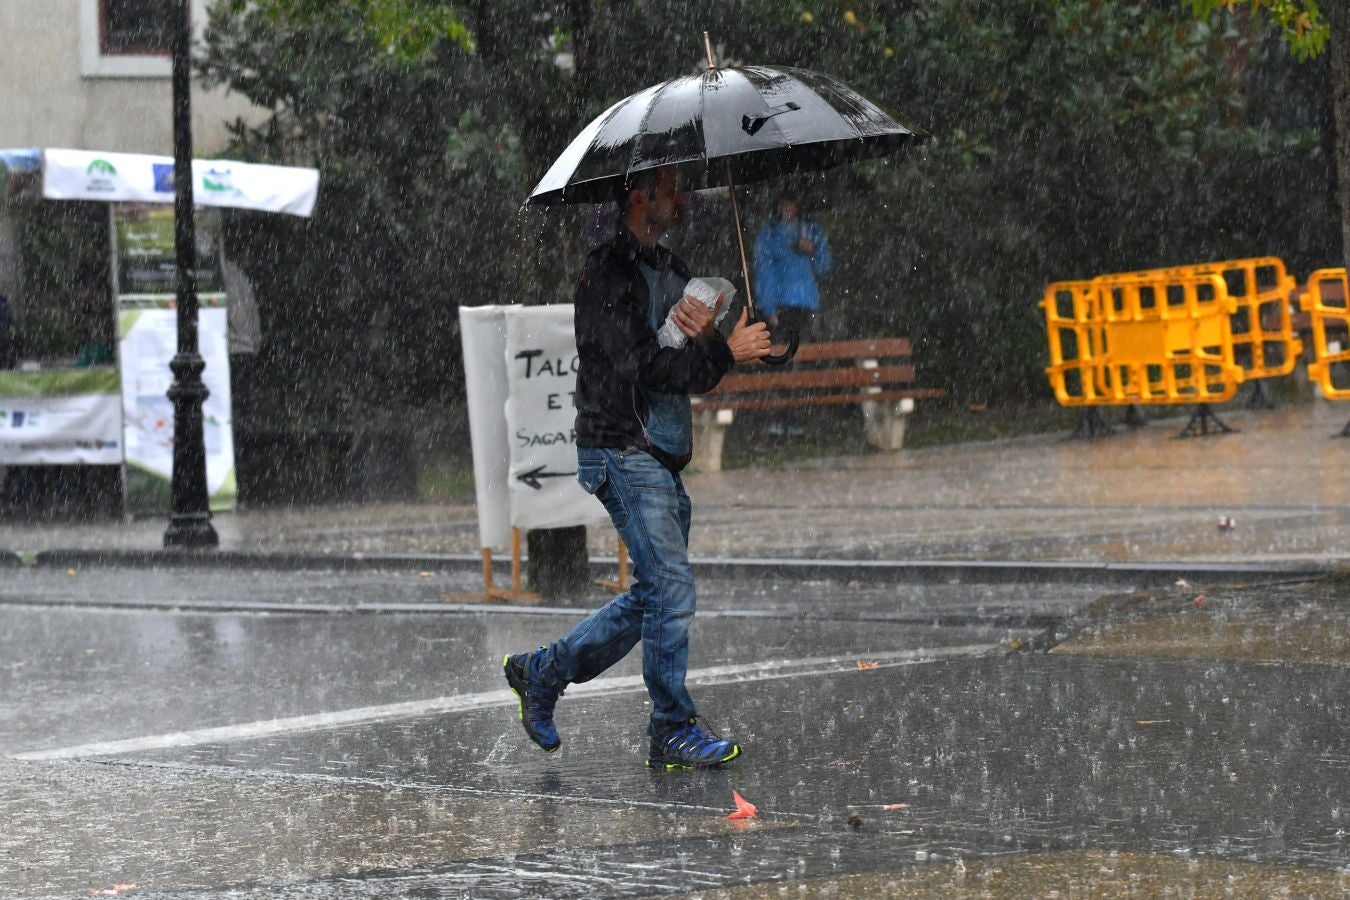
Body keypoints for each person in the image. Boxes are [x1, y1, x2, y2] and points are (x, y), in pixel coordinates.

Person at [502, 165, 772, 769]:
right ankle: (671, 725)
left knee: (655, 592)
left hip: (661, 453)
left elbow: (694, 371)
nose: (682, 198)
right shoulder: (605, 273)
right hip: (620, 446)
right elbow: (640, 367)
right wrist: (724, 351)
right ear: (639, 196)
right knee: (670, 588)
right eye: (671, 188)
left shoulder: (671, 270)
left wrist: (734, 342)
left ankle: (542, 673)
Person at [753, 194, 833, 344]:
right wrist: (769, 308)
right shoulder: (769, 233)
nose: (788, 209)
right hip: (781, 304)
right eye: (784, 204)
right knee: (785, 356)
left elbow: (825, 267)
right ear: (778, 207)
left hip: (808, 304)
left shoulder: (812, 229)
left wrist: (812, 251)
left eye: (792, 204)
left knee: (806, 355)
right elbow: (764, 272)